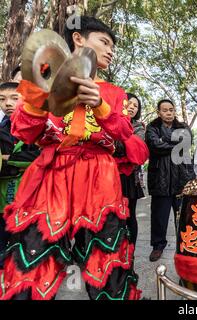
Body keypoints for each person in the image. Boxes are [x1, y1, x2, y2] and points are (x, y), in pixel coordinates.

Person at [0, 16, 147, 300]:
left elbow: (124, 132)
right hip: (54, 173)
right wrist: (40, 97)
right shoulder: (43, 80)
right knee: (34, 249)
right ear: (78, 38)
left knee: (107, 252)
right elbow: (23, 130)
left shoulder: (113, 93)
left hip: (100, 179)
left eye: (113, 47)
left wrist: (101, 106)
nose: (110, 51)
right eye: (104, 42)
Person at [146, 99, 195, 262]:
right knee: (159, 216)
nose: (168, 113)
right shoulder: (152, 127)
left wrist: (164, 142)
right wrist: (175, 145)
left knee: (183, 216)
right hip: (160, 178)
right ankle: (158, 246)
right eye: (165, 110)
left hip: (181, 177)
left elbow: (186, 144)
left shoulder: (182, 127)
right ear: (159, 112)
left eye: (171, 110)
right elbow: (154, 146)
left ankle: (186, 244)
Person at [0, 82, 40, 270]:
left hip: (31, 200)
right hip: (3, 201)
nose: (8, 103)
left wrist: (8, 160)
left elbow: (40, 156)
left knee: (26, 254)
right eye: (2, 99)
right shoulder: (1, 129)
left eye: (14, 98)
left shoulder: (37, 128)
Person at [114, 92, 146, 246]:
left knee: (129, 215)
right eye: (129, 104)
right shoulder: (110, 121)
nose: (132, 107)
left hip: (129, 177)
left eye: (136, 106)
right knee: (112, 214)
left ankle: (130, 250)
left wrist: (120, 142)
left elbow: (137, 149)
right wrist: (126, 142)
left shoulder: (139, 126)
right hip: (109, 175)